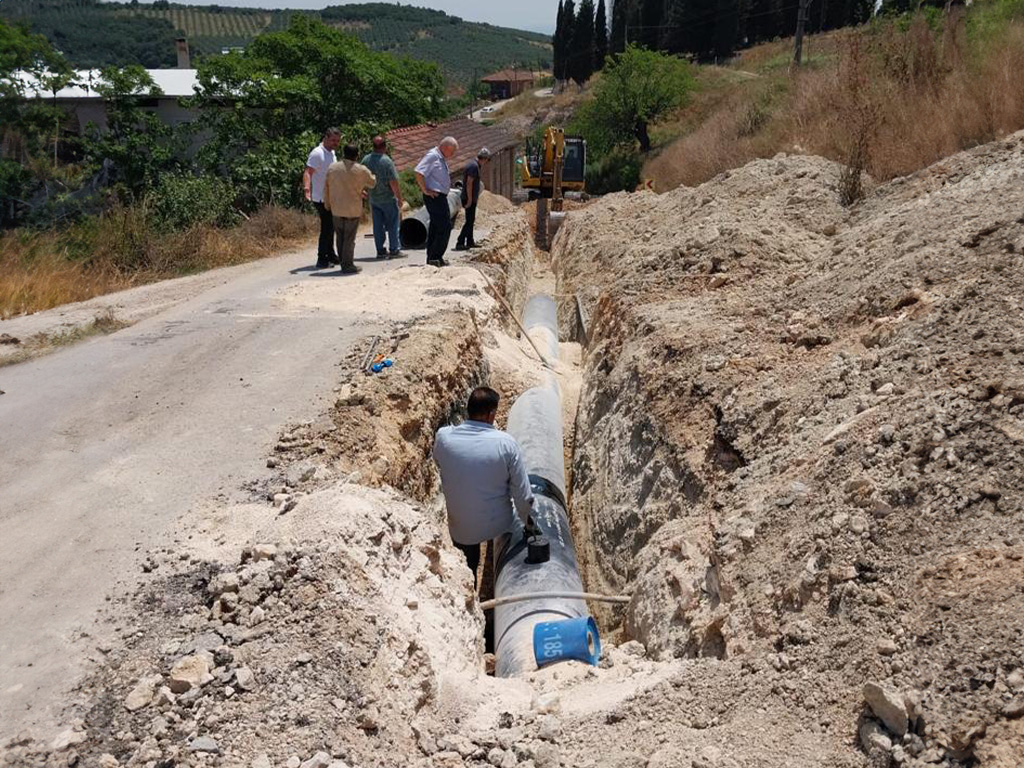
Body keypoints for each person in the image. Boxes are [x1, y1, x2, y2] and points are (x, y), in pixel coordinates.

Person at [433, 387, 534, 580]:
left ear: (468, 411)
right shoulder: (506, 444)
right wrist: (529, 524)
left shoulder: (444, 437)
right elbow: (522, 495)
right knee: (513, 527)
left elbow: (439, 461)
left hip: (461, 528)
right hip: (499, 525)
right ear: (491, 415)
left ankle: (469, 586)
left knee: (468, 563)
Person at [322, 144, 376, 275]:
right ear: (357, 155)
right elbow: (373, 182)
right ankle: (348, 265)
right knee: (349, 238)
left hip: (337, 208)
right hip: (352, 208)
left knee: (340, 236)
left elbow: (326, 187)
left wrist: (327, 204)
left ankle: (343, 262)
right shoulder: (360, 170)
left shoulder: (333, 168)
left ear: (343, 153)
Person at [414, 136, 459, 267]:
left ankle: (433, 257)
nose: (453, 154)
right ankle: (435, 256)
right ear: (445, 147)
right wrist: (425, 190)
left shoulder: (439, 157)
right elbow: (418, 172)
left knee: (435, 227)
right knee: (444, 226)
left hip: (439, 197)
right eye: (452, 151)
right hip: (434, 197)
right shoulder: (433, 156)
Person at [361, 136, 406, 260]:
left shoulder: (365, 160)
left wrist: (362, 191)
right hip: (388, 198)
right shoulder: (387, 161)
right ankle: (394, 250)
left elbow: (360, 177)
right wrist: (399, 198)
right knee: (393, 224)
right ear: (385, 147)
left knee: (377, 226)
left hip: (374, 198)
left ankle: (380, 251)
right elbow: (393, 182)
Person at [304, 127, 341, 269]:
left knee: (331, 227)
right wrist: (307, 189)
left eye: (337, 141)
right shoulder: (317, 154)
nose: (335, 143)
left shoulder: (331, 152)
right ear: (325, 137)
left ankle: (331, 255)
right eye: (333, 140)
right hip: (320, 197)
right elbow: (308, 172)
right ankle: (322, 259)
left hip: (331, 197)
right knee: (326, 228)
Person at [455, 147, 491, 251]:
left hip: (471, 198)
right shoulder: (474, 167)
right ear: (484, 159)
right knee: (469, 221)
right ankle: (460, 242)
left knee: (471, 220)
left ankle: (470, 241)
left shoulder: (475, 165)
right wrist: (470, 199)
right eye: (487, 160)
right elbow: (469, 183)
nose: (486, 162)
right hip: (468, 198)